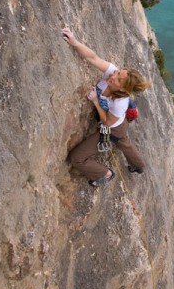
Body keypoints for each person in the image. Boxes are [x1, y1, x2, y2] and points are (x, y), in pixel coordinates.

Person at [62, 27, 151, 187]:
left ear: (123, 89)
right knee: (124, 143)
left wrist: (96, 101)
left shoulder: (119, 103)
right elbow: (93, 58)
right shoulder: (112, 73)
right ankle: (139, 165)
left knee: (77, 158)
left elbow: (108, 123)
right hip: (118, 124)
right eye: (118, 72)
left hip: (113, 128)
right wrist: (74, 42)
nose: (113, 75)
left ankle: (105, 174)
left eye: (118, 78)